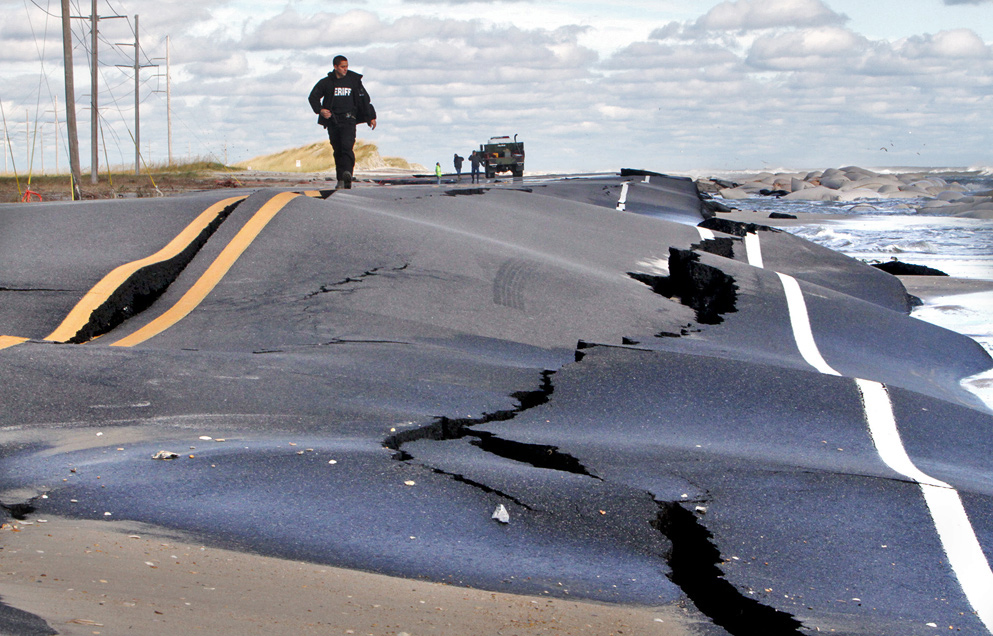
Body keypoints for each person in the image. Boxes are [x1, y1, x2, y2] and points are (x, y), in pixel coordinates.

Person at [308, 55, 377, 189]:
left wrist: (371, 117)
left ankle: (347, 175)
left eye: (347, 66)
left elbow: (364, 100)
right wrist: (320, 110)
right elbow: (313, 97)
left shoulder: (353, 81)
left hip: (349, 120)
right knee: (337, 150)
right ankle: (340, 179)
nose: (345, 69)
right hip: (333, 121)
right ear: (335, 67)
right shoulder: (327, 82)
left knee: (347, 147)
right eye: (342, 67)